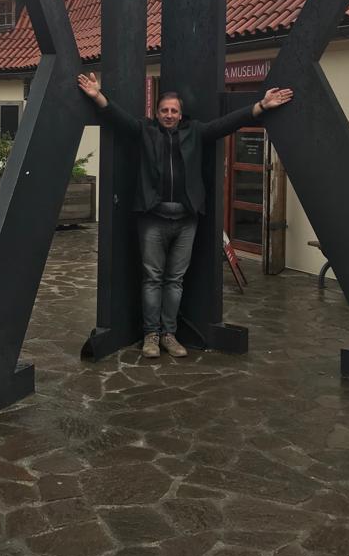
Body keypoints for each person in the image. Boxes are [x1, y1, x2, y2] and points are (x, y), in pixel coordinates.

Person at [77, 73, 293, 358]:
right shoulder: (145, 131)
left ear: (181, 115)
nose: (169, 115)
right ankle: (151, 335)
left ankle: (169, 334)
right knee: (153, 278)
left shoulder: (195, 132)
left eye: (173, 111)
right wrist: (97, 96)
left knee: (175, 280)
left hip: (185, 220)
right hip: (152, 219)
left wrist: (261, 106)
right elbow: (120, 119)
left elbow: (226, 124)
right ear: (156, 113)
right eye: (164, 110)